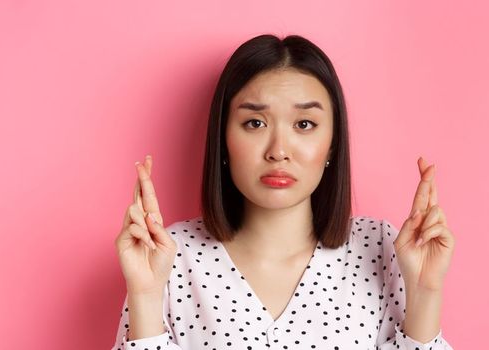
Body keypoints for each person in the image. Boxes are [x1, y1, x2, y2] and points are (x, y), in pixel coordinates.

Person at [110, 34, 456, 349]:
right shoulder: (171, 256)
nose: (278, 150)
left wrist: (426, 292)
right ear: (224, 140)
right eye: (255, 123)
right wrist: (145, 295)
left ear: (333, 144)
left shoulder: (379, 247)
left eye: (304, 125)